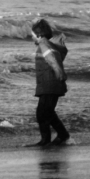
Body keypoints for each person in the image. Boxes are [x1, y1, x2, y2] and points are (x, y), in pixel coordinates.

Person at [27, 18, 70, 147]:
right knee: (47, 112)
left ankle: (53, 138)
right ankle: (56, 137)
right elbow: (58, 54)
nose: (32, 38)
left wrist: (58, 71)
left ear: (39, 35)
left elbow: (51, 58)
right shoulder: (50, 45)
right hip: (52, 84)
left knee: (43, 112)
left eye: (33, 35)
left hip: (49, 83)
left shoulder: (44, 44)